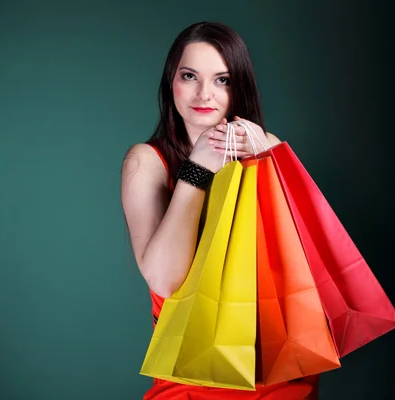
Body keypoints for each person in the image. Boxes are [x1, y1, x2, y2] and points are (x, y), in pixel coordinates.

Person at [120, 22, 320, 399]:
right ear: (171, 82)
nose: (203, 93)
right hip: (192, 376)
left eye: (222, 80)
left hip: (277, 370)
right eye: (189, 76)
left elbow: (298, 269)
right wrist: (196, 171)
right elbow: (165, 280)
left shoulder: (269, 146)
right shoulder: (147, 162)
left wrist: (266, 163)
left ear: (239, 86)